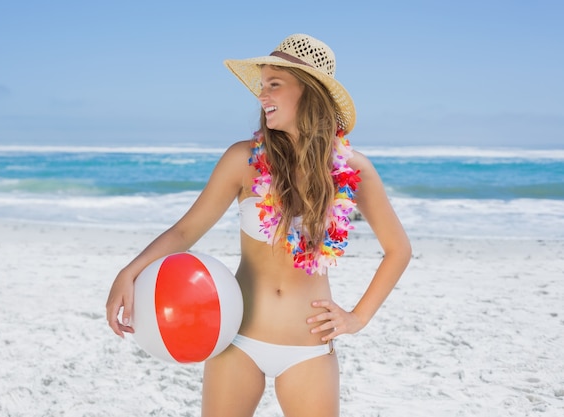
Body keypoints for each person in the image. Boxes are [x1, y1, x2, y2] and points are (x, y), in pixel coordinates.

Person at [106, 33, 411, 417]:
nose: (262, 95)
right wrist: (128, 272)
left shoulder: (353, 171)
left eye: (274, 85)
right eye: (262, 85)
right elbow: (185, 231)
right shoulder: (243, 160)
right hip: (239, 339)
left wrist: (358, 317)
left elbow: (399, 250)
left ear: (310, 92)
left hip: (309, 347)